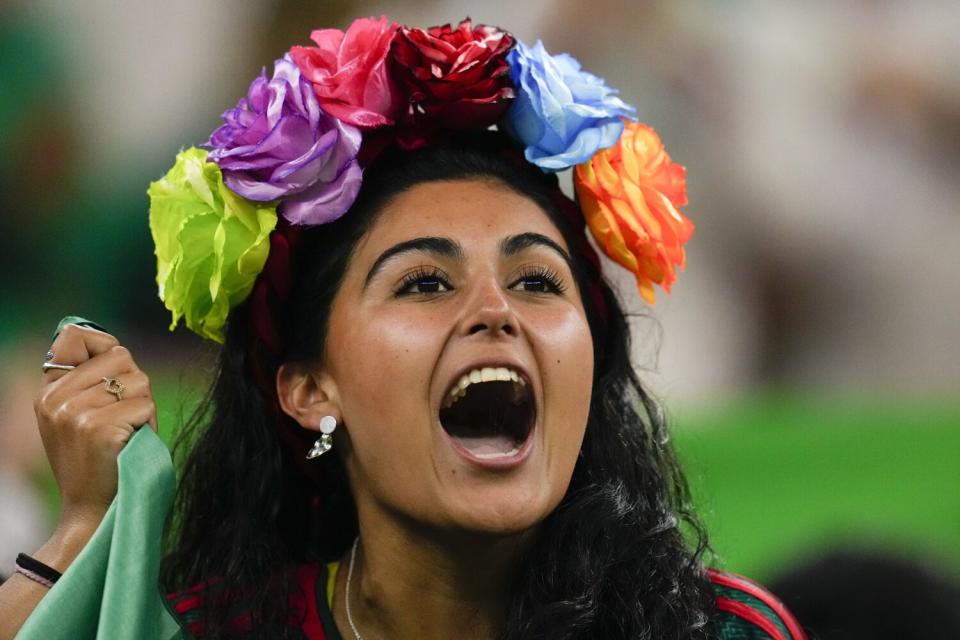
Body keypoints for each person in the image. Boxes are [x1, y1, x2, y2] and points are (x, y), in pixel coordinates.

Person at [1, 17, 807, 640]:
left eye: (535, 280)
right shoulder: (212, 631)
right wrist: (79, 532)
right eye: (425, 282)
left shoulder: (713, 631)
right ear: (310, 390)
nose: (495, 311)